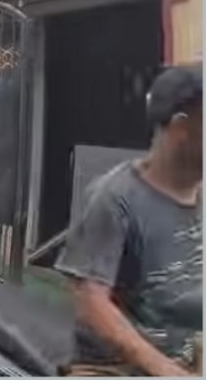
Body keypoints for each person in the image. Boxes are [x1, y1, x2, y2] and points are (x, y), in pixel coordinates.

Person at [55, 65, 202, 377]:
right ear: (181, 128)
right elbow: (91, 301)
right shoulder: (116, 197)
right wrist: (164, 369)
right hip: (114, 368)